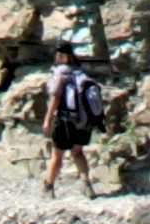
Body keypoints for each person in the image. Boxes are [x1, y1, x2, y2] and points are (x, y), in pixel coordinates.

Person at [38, 47, 104, 195]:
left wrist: (47, 119)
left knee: (57, 155)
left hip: (64, 120)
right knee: (78, 153)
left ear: (61, 56)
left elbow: (56, 97)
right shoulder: (80, 73)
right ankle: (87, 186)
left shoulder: (60, 73)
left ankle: (48, 187)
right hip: (83, 120)